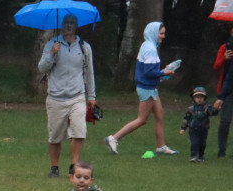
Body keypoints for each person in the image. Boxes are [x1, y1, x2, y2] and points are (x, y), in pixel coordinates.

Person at [104, 22, 178, 155]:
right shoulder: (150, 48)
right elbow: (149, 72)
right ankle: (113, 138)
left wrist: (163, 72)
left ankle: (161, 147)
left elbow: (149, 71)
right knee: (142, 119)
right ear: (154, 33)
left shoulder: (148, 45)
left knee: (160, 115)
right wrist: (164, 73)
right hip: (147, 88)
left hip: (151, 87)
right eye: (161, 33)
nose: (163, 36)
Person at [37, 13, 97, 178]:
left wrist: (91, 96)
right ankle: (54, 168)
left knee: (79, 131)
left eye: (72, 23)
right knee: (55, 136)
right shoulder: (52, 44)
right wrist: (52, 54)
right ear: (61, 25)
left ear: (76, 26)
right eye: (66, 23)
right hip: (56, 97)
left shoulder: (84, 47)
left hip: (77, 96)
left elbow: (89, 73)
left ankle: (74, 165)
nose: (69, 25)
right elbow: (42, 68)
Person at [179, 86, 220, 163]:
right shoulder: (190, 109)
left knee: (202, 144)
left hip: (203, 130)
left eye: (201, 97)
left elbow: (213, 113)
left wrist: (217, 109)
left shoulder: (207, 108)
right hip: (193, 129)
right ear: (193, 98)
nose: (199, 99)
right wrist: (183, 128)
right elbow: (186, 118)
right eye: (197, 97)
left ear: (204, 98)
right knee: (194, 143)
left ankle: (200, 156)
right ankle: (194, 156)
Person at [210, 24, 233, 158]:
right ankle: (221, 150)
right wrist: (224, 59)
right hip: (226, 89)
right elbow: (216, 66)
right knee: (225, 120)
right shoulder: (224, 47)